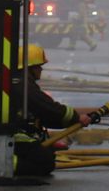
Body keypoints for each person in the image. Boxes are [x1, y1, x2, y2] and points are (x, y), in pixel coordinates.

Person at [9, 43, 95, 178]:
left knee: (47, 154)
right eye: (39, 66)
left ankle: (1, 160)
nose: (41, 70)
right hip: (17, 138)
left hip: (17, 136)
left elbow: (46, 117)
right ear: (30, 68)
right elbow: (48, 108)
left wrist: (71, 122)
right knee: (45, 163)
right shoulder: (24, 86)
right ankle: (0, 163)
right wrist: (76, 118)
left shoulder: (21, 82)